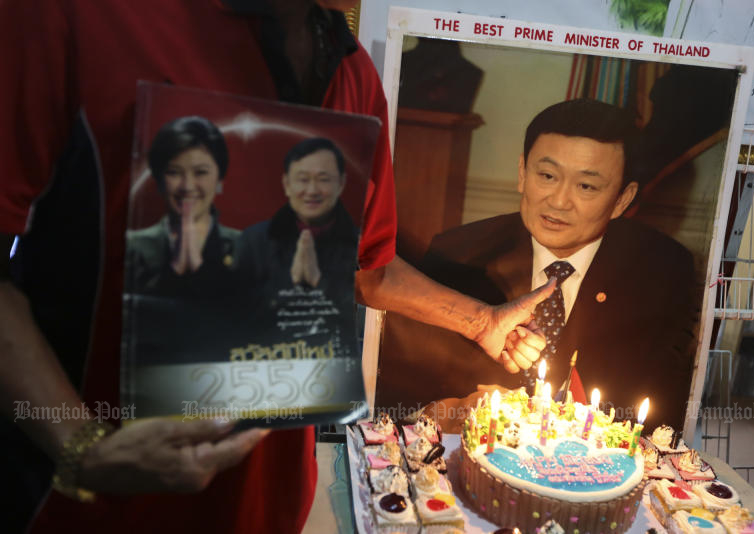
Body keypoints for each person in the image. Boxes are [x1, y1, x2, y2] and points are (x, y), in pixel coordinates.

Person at [0, 2, 554, 533]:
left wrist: (482, 322)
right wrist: (81, 449)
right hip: (91, 508)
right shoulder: (77, 14)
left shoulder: (350, 68)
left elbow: (366, 269)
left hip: (269, 502)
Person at [378, 98, 697, 431]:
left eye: (586, 186)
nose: (558, 201)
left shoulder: (662, 273)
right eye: (547, 175)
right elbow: (402, 399)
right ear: (522, 174)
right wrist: (454, 411)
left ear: (622, 200)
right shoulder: (459, 253)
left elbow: (661, 420)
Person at [127, 115, 239, 296]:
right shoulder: (132, 247)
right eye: (174, 172)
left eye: (201, 172)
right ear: (159, 180)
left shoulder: (248, 247)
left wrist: (200, 270)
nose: (187, 186)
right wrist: (175, 270)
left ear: (220, 180)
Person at [237, 137, 359, 297]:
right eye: (303, 179)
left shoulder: (360, 244)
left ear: (341, 183)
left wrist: (318, 281)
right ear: (286, 184)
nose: (312, 190)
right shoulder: (253, 240)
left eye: (323, 179)